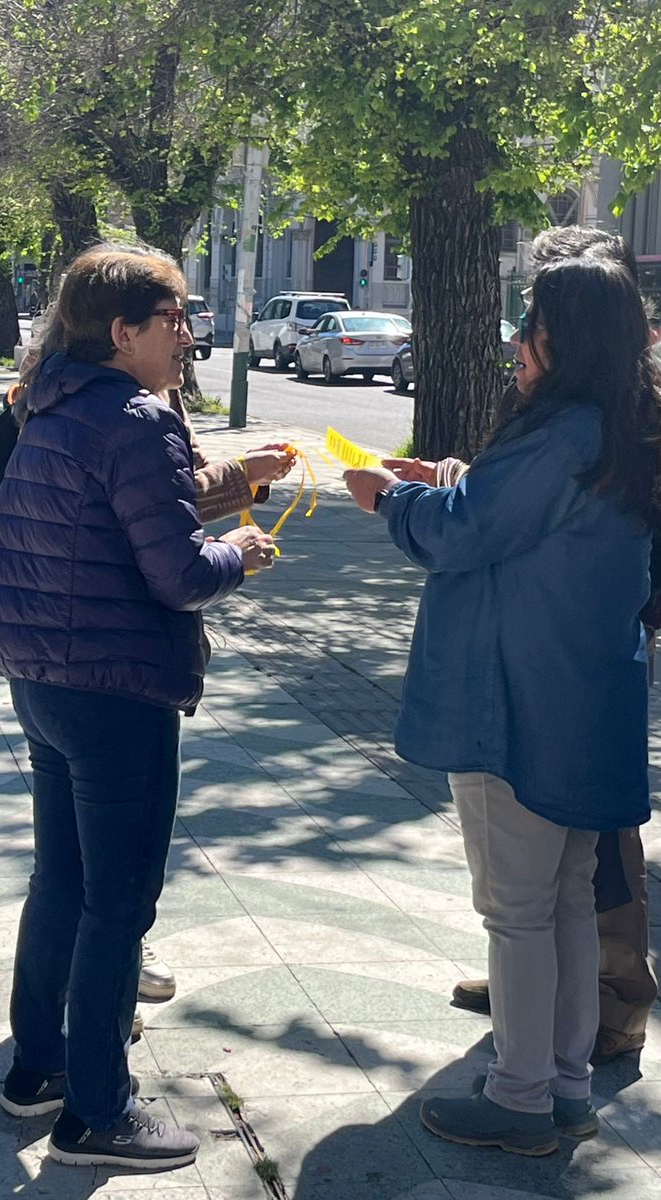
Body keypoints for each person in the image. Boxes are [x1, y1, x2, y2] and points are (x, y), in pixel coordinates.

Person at [345, 256, 660, 1156]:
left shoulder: (562, 432)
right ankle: (562, 1087)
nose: (517, 343)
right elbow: (517, 517)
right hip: (583, 696)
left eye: (531, 326)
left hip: (515, 699)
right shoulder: (622, 426)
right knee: (564, 900)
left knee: (517, 909)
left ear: (568, 340)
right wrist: (455, 479)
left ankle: (519, 1096)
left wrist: (392, 499)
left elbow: (463, 532)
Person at [0, 245, 281, 1170]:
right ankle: (98, 1113)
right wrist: (241, 553)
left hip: (43, 678)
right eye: (175, 318)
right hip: (116, 688)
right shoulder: (135, 417)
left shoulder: (49, 402)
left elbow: (120, 526)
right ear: (123, 332)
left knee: (61, 881)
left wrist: (232, 486)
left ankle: (38, 1070)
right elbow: (180, 574)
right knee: (118, 902)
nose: (187, 334)